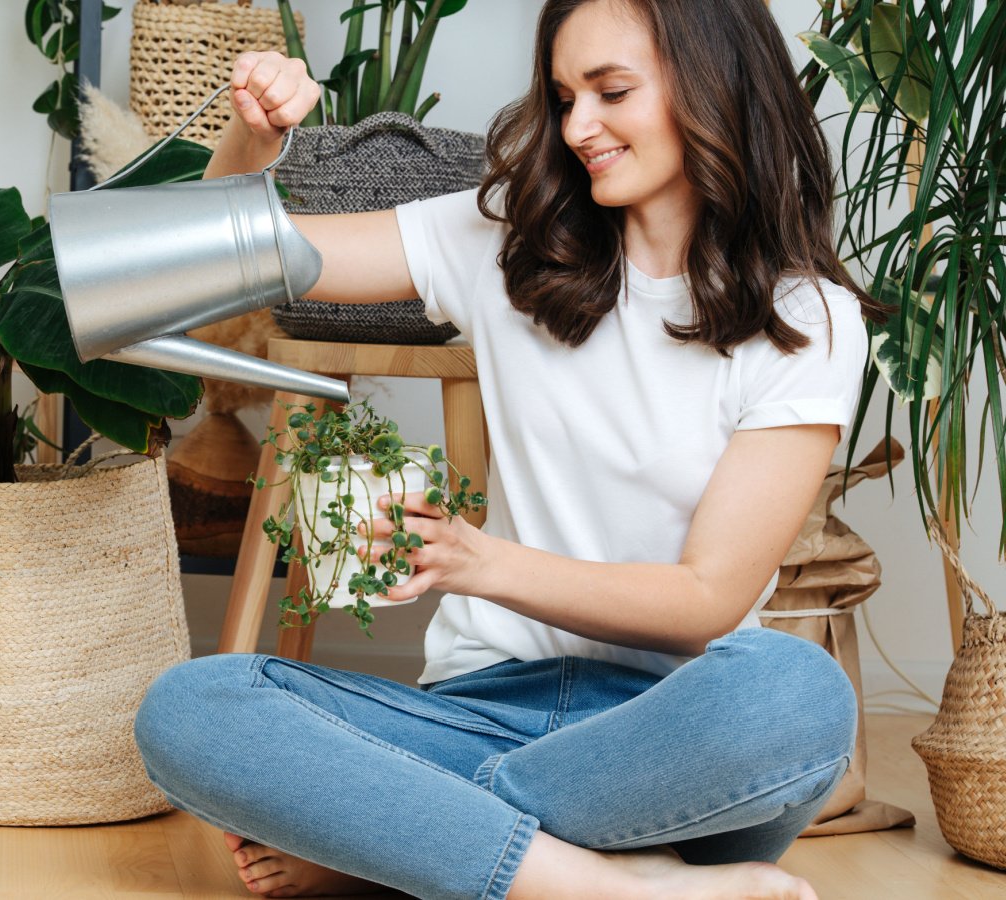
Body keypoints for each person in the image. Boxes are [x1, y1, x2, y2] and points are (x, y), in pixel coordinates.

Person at [132, 0, 883, 898]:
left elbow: (705, 599)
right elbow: (219, 261)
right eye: (565, 97)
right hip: (478, 710)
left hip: (668, 745)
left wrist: (476, 561)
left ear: (715, 87)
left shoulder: (807, 320)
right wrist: (252, 145)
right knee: (190, 708)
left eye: (611, 92)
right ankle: (617, 886)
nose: (578, 127)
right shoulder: (504, 240)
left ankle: (404, 849)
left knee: (799, 694)